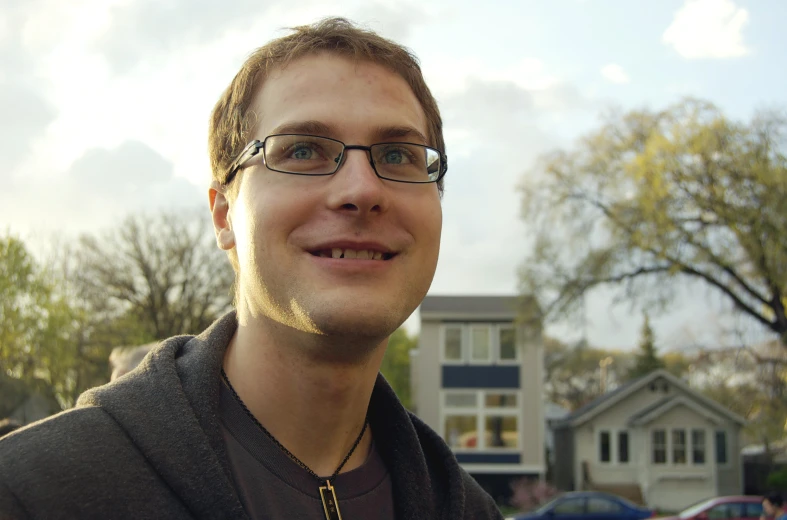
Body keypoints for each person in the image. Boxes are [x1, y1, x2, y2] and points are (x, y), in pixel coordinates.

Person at [0, 17, 502, 520]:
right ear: (224, 215)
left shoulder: (467, 511)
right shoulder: (32, 493)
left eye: (398, 155)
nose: (361, 191)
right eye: (302, 150)